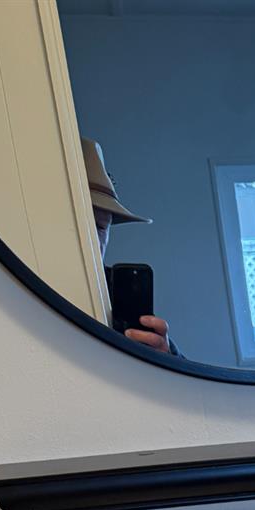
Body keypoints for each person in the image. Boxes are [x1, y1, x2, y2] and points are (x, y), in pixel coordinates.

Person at [81, 138, 175, 354]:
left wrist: (165, 358)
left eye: (100, 227)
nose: (92, 237)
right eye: (82, 224)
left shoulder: (118, 289)